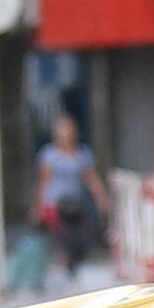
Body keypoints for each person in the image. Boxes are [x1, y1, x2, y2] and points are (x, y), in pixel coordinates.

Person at [25, 106, 106, 293]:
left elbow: (91, 179)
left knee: (83, 239)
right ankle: (65, 274)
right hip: (55, 205)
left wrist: (101, 198)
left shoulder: (82, 154)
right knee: (63, 240)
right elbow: (43, 182)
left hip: (77, 205)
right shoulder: (49, 155)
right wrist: (37, 206)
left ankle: (74, 268)